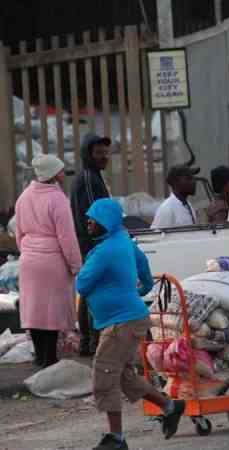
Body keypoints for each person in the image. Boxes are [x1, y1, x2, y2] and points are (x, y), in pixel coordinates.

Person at [76, 198, 185, 450]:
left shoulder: (104, 251)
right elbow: (144, 269)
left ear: (108, 222)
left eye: (95, 219)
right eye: (89, 218)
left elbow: (82, 284)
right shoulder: (123, 240)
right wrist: (144, 287)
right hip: (130, 317)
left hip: (120, 322)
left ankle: (117, 439)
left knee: (104, 373)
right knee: (123, 375)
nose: (89, 223)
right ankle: (170, 406)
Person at [15, 155, 82, 368]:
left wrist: (28, 251)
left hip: (28, 260)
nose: (64, 173)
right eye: (61, 170)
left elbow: (19, 234)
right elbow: (67, 237)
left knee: (34, 311)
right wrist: (75, 265)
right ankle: (51, 359)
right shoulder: (58, 199)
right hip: (52, 261)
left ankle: (40, 356)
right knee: (52, 312)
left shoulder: (23, 197)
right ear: (53, 173)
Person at [70, 134, 111, 356]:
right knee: (93, 295)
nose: (104, 157)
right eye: (98, 153)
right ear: (87, 154)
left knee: (89, 293)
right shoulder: (88, 178)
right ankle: (92, 342)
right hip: (91, 245)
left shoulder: (94, 176)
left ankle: (89, 343)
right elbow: (92, 218)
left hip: (92, 244)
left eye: (106, 153)